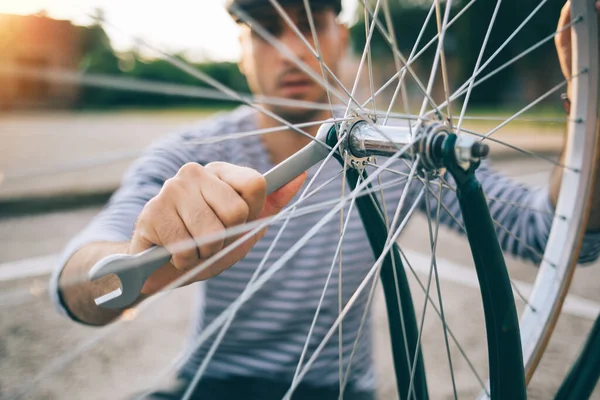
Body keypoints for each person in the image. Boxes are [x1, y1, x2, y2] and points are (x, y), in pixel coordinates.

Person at [51, 0, 600, 399]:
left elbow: (558, 238)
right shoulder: (188, 154)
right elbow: (75, 285)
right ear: (241, 49)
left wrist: (590, 107)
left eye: (310, 22)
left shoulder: (393, 150)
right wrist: (147, 261)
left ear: (341, 36)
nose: (291, 49)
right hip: (212, 384)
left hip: (339, 390)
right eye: (266, 30)